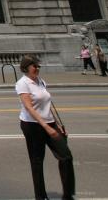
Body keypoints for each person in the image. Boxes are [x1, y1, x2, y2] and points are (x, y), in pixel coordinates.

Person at [16, 55, 75, 200]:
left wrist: (57, 124)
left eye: (38, 66)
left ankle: (68, 195)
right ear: (26, 67)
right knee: (37, 160)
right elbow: (29, 108)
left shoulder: (41, 82)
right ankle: (40, 196)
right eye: (34, 66)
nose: (37, 68)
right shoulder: (23, 83)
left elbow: (48, 105)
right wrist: (46, 127)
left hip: (49, 123)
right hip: (32, 125)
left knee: (66, 156)